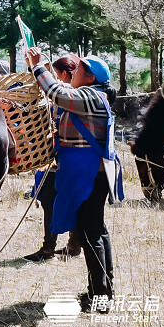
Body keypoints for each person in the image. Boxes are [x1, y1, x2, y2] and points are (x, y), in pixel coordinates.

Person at [26, 47, 122, 312]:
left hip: (89, 173)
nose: (74, 72)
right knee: (97, 230)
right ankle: (103, 291)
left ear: (91, 77)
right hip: (91, 172)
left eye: (79, 69)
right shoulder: (94, 95)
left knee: (92, 233)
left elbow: (56, 93)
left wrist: (38, 67)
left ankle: (99, 298)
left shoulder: (90, 96)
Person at [23, 57, 81, 262]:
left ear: (65, 74)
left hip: (64, 157)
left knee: (50, 198)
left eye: (57, 74)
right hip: (68, 157)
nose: (56, 78)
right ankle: (73, 245)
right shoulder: (74, 94)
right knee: (69, 200)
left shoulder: (68, 95)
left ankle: (49, 249)